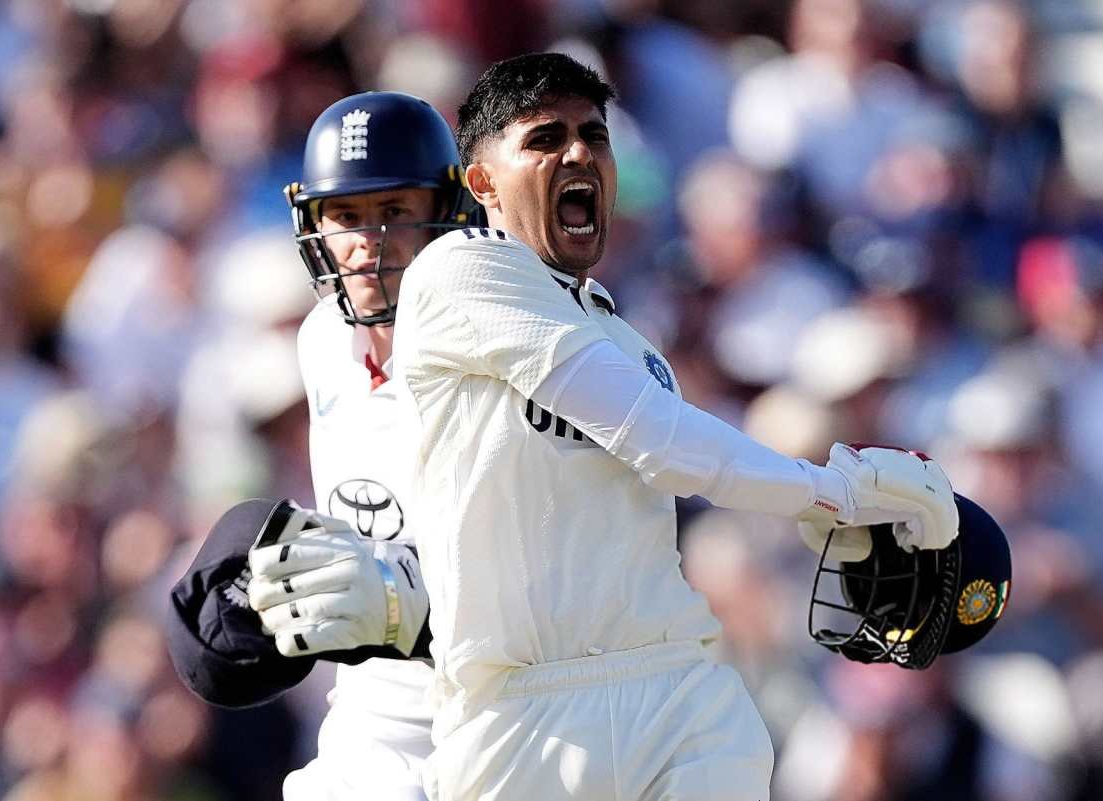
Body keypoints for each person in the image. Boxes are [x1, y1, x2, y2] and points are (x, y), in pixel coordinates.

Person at [390, 52, 960, 801]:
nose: (578, 153)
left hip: (677, 683)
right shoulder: (460, 272)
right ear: (482, 183)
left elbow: (680, 453)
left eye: (594, 136)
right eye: (544, 138)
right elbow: (661, 441)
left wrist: (828, 519)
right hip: (526, 708)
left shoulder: (630, 342)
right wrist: (837, 493)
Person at [166, 90, 477, 801]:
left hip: (507, 718)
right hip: (371, 719)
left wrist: (405, 606)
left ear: (448, 210)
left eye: (394, 209)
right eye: (345, 215)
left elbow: (557, 590)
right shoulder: (321, 342)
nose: (369, 240)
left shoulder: (502, 350)